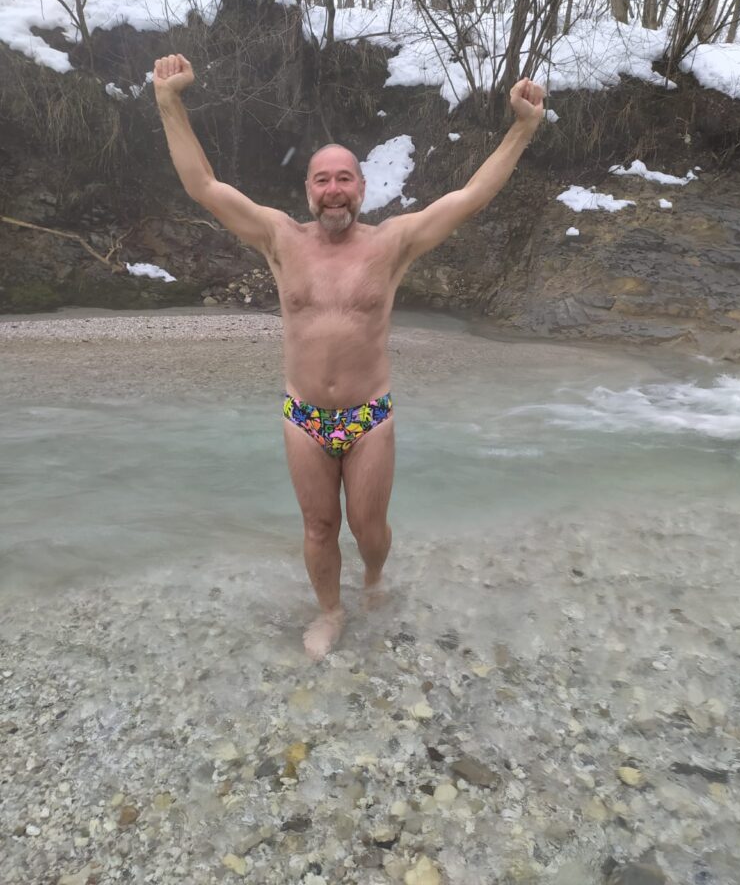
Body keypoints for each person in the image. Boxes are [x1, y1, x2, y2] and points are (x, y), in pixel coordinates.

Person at [153, 53, 545, 659]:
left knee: (368, 529)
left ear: (363, 187)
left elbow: (470, 197)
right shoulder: (279, 239)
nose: (333, 190)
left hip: (369, 415)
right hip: (304, 416)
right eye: (322, 180)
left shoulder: (393, 243)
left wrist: (522, 127)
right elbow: (204, 186)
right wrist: (169, 102)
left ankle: (374, 578)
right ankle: (330, 612)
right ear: (308, 191)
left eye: (344, 178)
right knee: (318, 527)